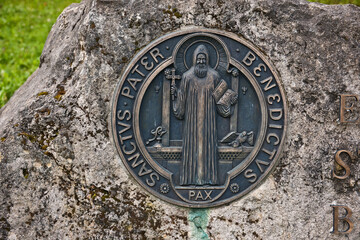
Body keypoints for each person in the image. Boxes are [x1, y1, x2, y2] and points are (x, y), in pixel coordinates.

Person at [171, 44, 226, 185]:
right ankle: (190, 179)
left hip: (209, 119)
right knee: (192, 147)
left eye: (203, 59)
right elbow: (181, 99)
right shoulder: (186, 77)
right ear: (194, 60)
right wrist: (175, 96)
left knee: (208, 146)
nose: (201, 62)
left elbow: (220, 97)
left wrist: (228, 99)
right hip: (192, 120)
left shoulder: (214, 76)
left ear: (207, 60)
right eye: (199, 59)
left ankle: (210, 179)